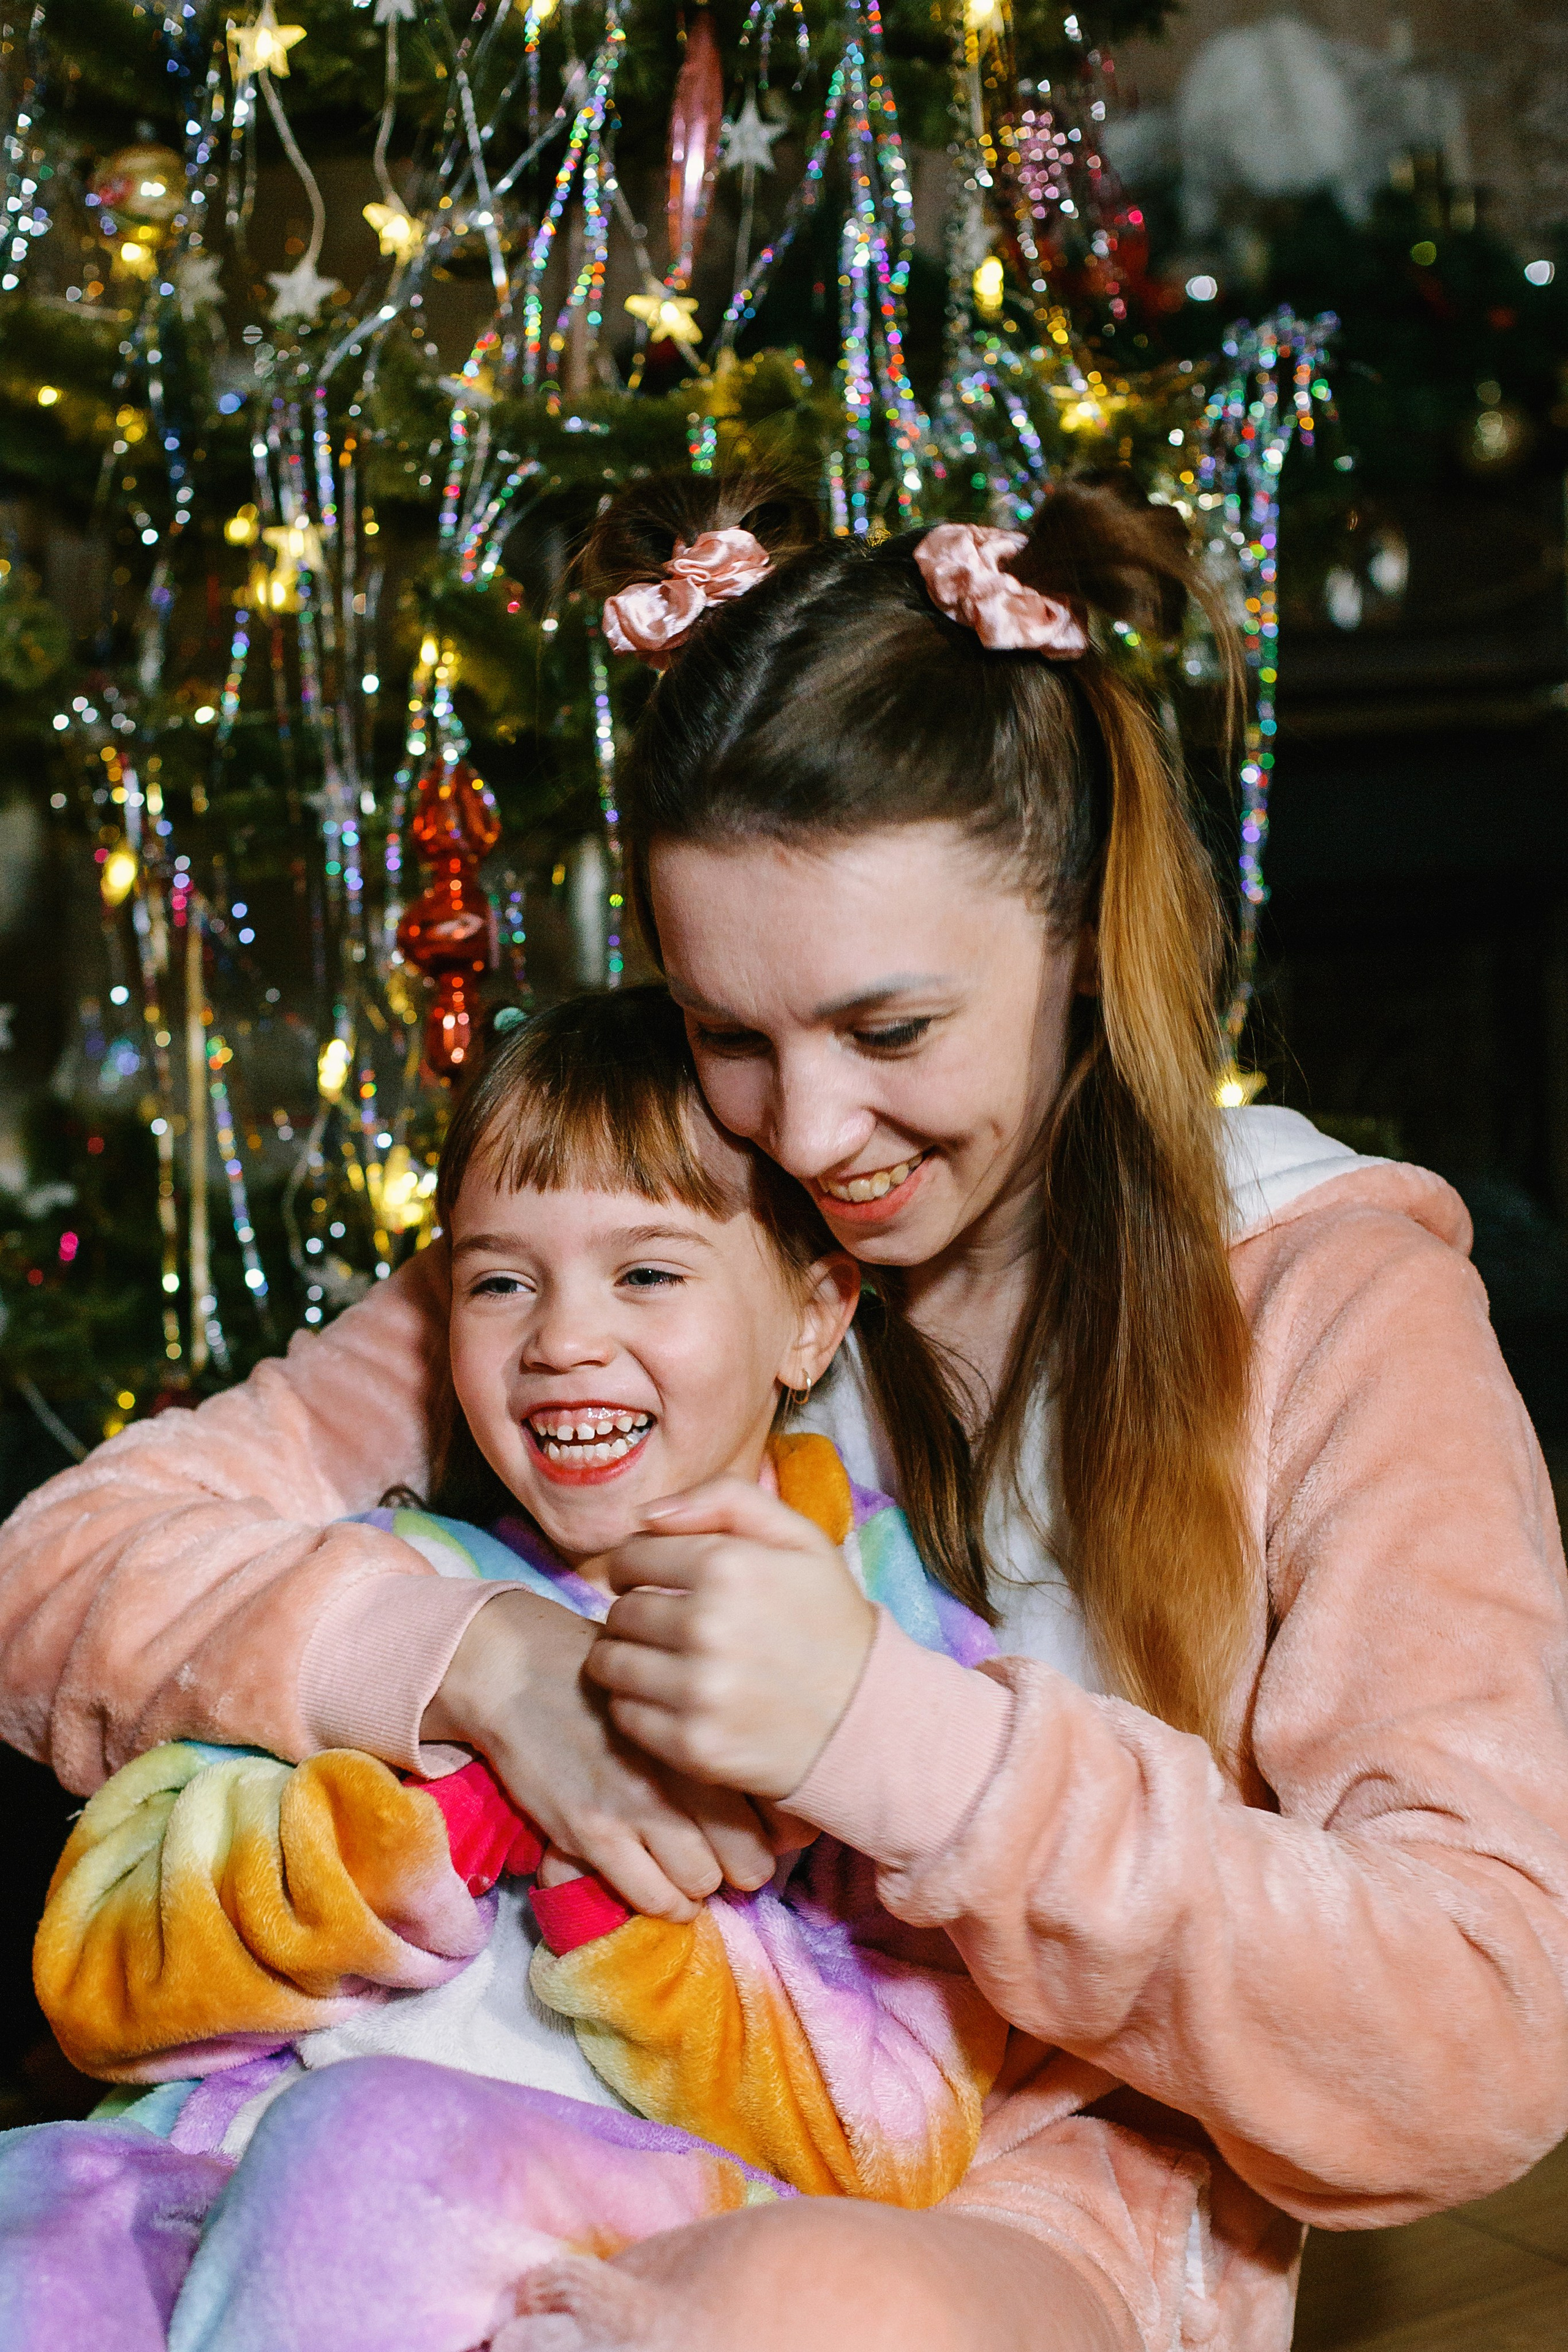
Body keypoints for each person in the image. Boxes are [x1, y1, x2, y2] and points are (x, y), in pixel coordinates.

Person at [2, 469, 1567, 2352]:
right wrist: (490, 1664)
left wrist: (898, 1748)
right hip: (495, 2105)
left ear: (1080, 940)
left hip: (1030, 2215)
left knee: (783, 2306)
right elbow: (61, 1563)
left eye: (890, 1033)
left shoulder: (1326, 1301)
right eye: (731, 1033)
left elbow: (1484, 2026)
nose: (811, 1136)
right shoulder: (661, 1235)